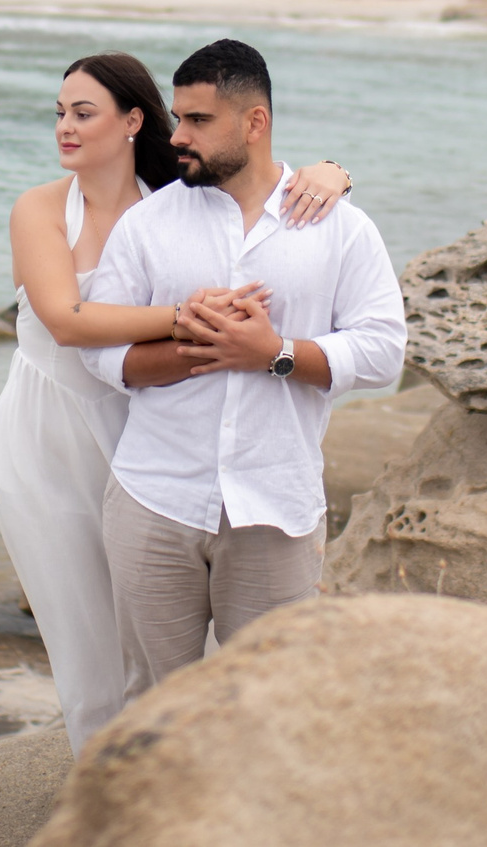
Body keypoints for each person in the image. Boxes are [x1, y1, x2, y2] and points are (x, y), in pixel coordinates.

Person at [0, 51, 355, 753]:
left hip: (145, 425)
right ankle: (104, 776)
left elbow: (254, 183)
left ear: (133, 121)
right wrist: (188, 315)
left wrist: (332, 172)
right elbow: (66, 321)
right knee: (81, 622)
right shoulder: (40, 209)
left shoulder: (173, 199)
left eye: (83, 112)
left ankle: (199, 768)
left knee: (168, 622)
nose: (64, 127)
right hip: (49, 432)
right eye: (59, 113)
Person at [81, 38, 405, 705]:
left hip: (275, 508)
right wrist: (198, 344)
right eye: (178, 117)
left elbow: (382, 351)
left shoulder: (342, 228)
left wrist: (274, 352)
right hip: (153, 500)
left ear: (255, 122)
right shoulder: (147, 224)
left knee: (274, 704)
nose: (178, 135)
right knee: (154, 704)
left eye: (199, 120)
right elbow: (101, 353)